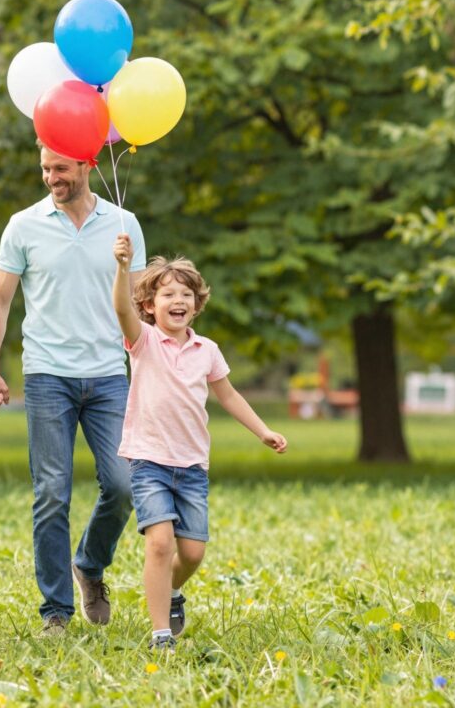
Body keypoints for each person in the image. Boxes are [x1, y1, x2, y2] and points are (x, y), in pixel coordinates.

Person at [0, 143, 146, 635]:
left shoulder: (124, 223)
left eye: (61, 168)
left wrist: (153, 368)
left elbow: (140, 305)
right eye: (46, 168)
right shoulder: (23, 225)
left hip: (110, 374)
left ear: (88, 165)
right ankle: (56, 610)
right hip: (48, 374)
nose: (52, 176)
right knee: (51, 492)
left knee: (122, 483)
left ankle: (89, 565)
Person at [111, 238, 288, 650]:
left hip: (191, 465)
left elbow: (228, 395)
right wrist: (122, 268)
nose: (178, 300)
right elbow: (121, 309)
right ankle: (159, 636)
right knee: (159, 543)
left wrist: (263, 430)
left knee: (191, 553)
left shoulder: (206, 350)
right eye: (167, 294)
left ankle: (173, 594)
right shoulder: (144, 341)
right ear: (150, 306)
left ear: (196, 304)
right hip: (149, 459)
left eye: (185, 295)